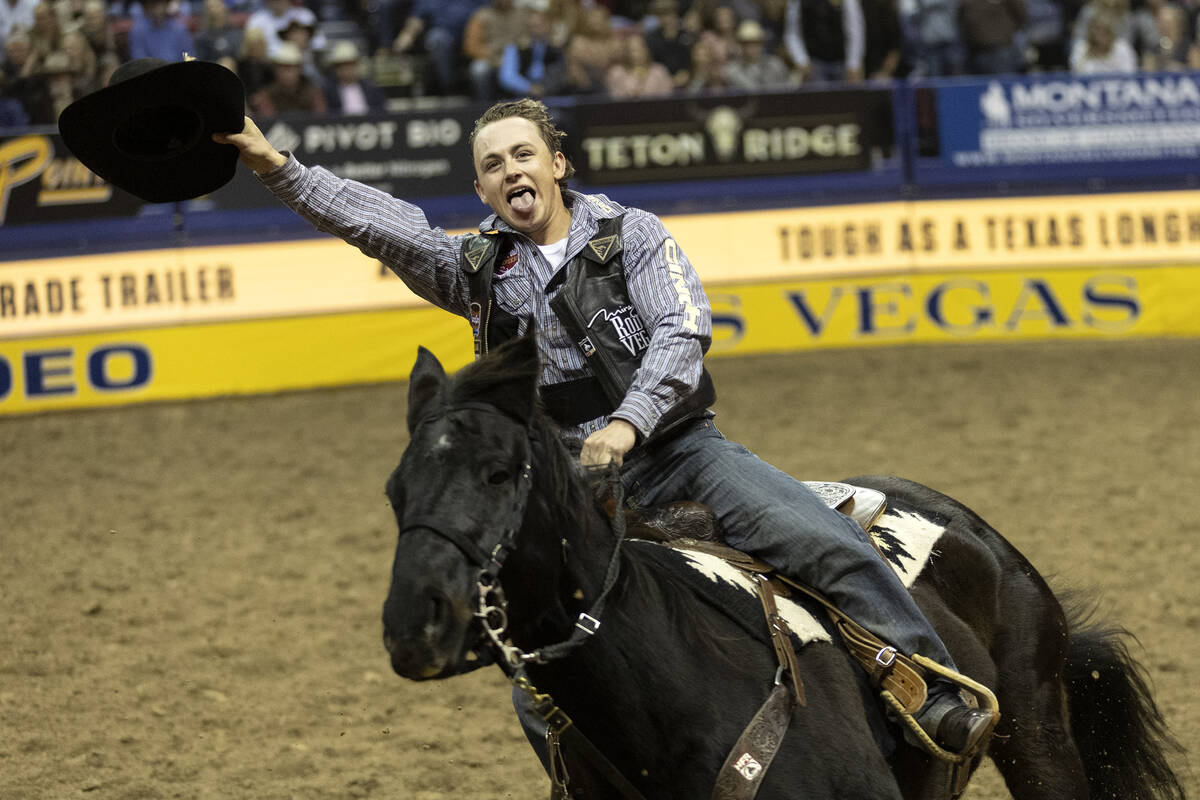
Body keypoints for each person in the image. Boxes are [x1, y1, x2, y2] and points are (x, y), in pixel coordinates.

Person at [212, 97, 996, 760]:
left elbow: (681, 333)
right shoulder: (479, 269)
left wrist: (626, 425)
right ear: (483, 190)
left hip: (682, 453)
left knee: (820, 539)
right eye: (493, 165)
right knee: (538, 662)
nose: (511, 171)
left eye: (524, 155)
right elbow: (381, 226)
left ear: (558, 164)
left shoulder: (633, 235)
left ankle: (925, 687)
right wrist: (273, 164)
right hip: (571, 490)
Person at [323, 39, 386, 113]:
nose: (347, 70)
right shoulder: (329, 92)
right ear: (336, 69)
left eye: (350, 65)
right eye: (343, 66)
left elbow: (382, 111)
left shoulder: (371, 89)